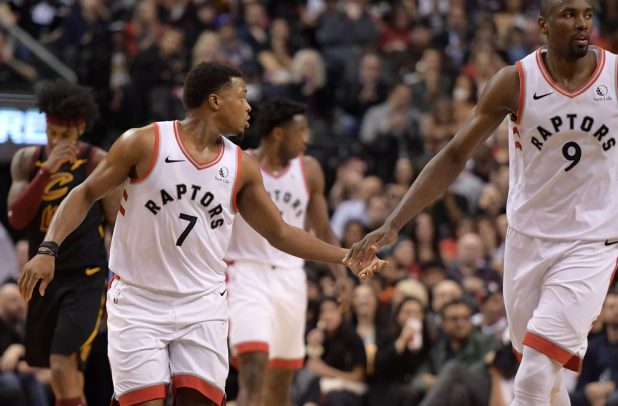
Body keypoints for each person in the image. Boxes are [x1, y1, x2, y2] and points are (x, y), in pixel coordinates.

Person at [347, 0, 618, 404]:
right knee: (546, 382)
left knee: (533, 371)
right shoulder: (514, 82)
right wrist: (394, 222)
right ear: (543, 26)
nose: (582, 23)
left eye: (587, 14)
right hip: (527, 239)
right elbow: (454, 155)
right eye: (569, 14)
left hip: (593, 242)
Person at [18, 62, 385, 406]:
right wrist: (48, 248)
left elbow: (281, 232)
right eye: (241, 96)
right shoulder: (144, 142)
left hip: (202, 305)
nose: (248, 106)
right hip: (139, 301)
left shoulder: (241, 165)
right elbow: (82, 194)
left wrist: (346, 255)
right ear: (215, 101)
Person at [224, 98, 350, 406]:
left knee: (280, 384)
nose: (307, 139)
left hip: (291, 278)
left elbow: (322, 228)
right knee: (253, 369)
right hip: (245, 273)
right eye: (302, 131)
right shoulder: (241, 163)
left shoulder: (309, 169)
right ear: (279, 133)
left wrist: (341, 275)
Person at [6, 79, 117, 406]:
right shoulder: (28, 160)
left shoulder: (98, 161)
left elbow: (114, 222)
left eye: (65, 135)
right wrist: (46, 172)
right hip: (44, 279)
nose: (56, 141)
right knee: (59, 373)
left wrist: (113, 277)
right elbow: (16, 218)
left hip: (85, 277)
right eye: (51, 133)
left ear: (81, 128)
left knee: (62, 362)